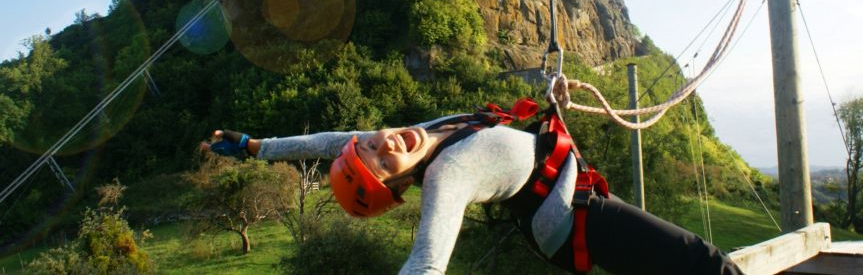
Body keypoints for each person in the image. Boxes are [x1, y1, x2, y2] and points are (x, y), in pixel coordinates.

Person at [203, 99, 744, 275]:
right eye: (379, 159)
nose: (383, 142)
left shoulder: (418, 138)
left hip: (579, 197)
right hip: (579, 221)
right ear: (399, 185)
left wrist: (256, 146)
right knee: (700, 261)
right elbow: (427, 260)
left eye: (369, 141)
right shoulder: (447, 175)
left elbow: (327, 141)